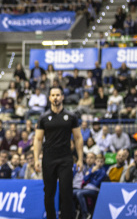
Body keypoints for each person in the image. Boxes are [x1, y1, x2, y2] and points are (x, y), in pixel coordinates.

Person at [34, 87, 83, 219]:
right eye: (53, 95)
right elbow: (38, 139)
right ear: (49, 98)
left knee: (66, 192)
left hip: (65, 158)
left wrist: (80, 159)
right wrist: (36, 159)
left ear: (62, 97)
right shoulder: (43, 117)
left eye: (58, 95)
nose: (55, 97)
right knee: (49, 193)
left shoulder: (71, 116)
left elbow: (78, 138)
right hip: (48, 159)